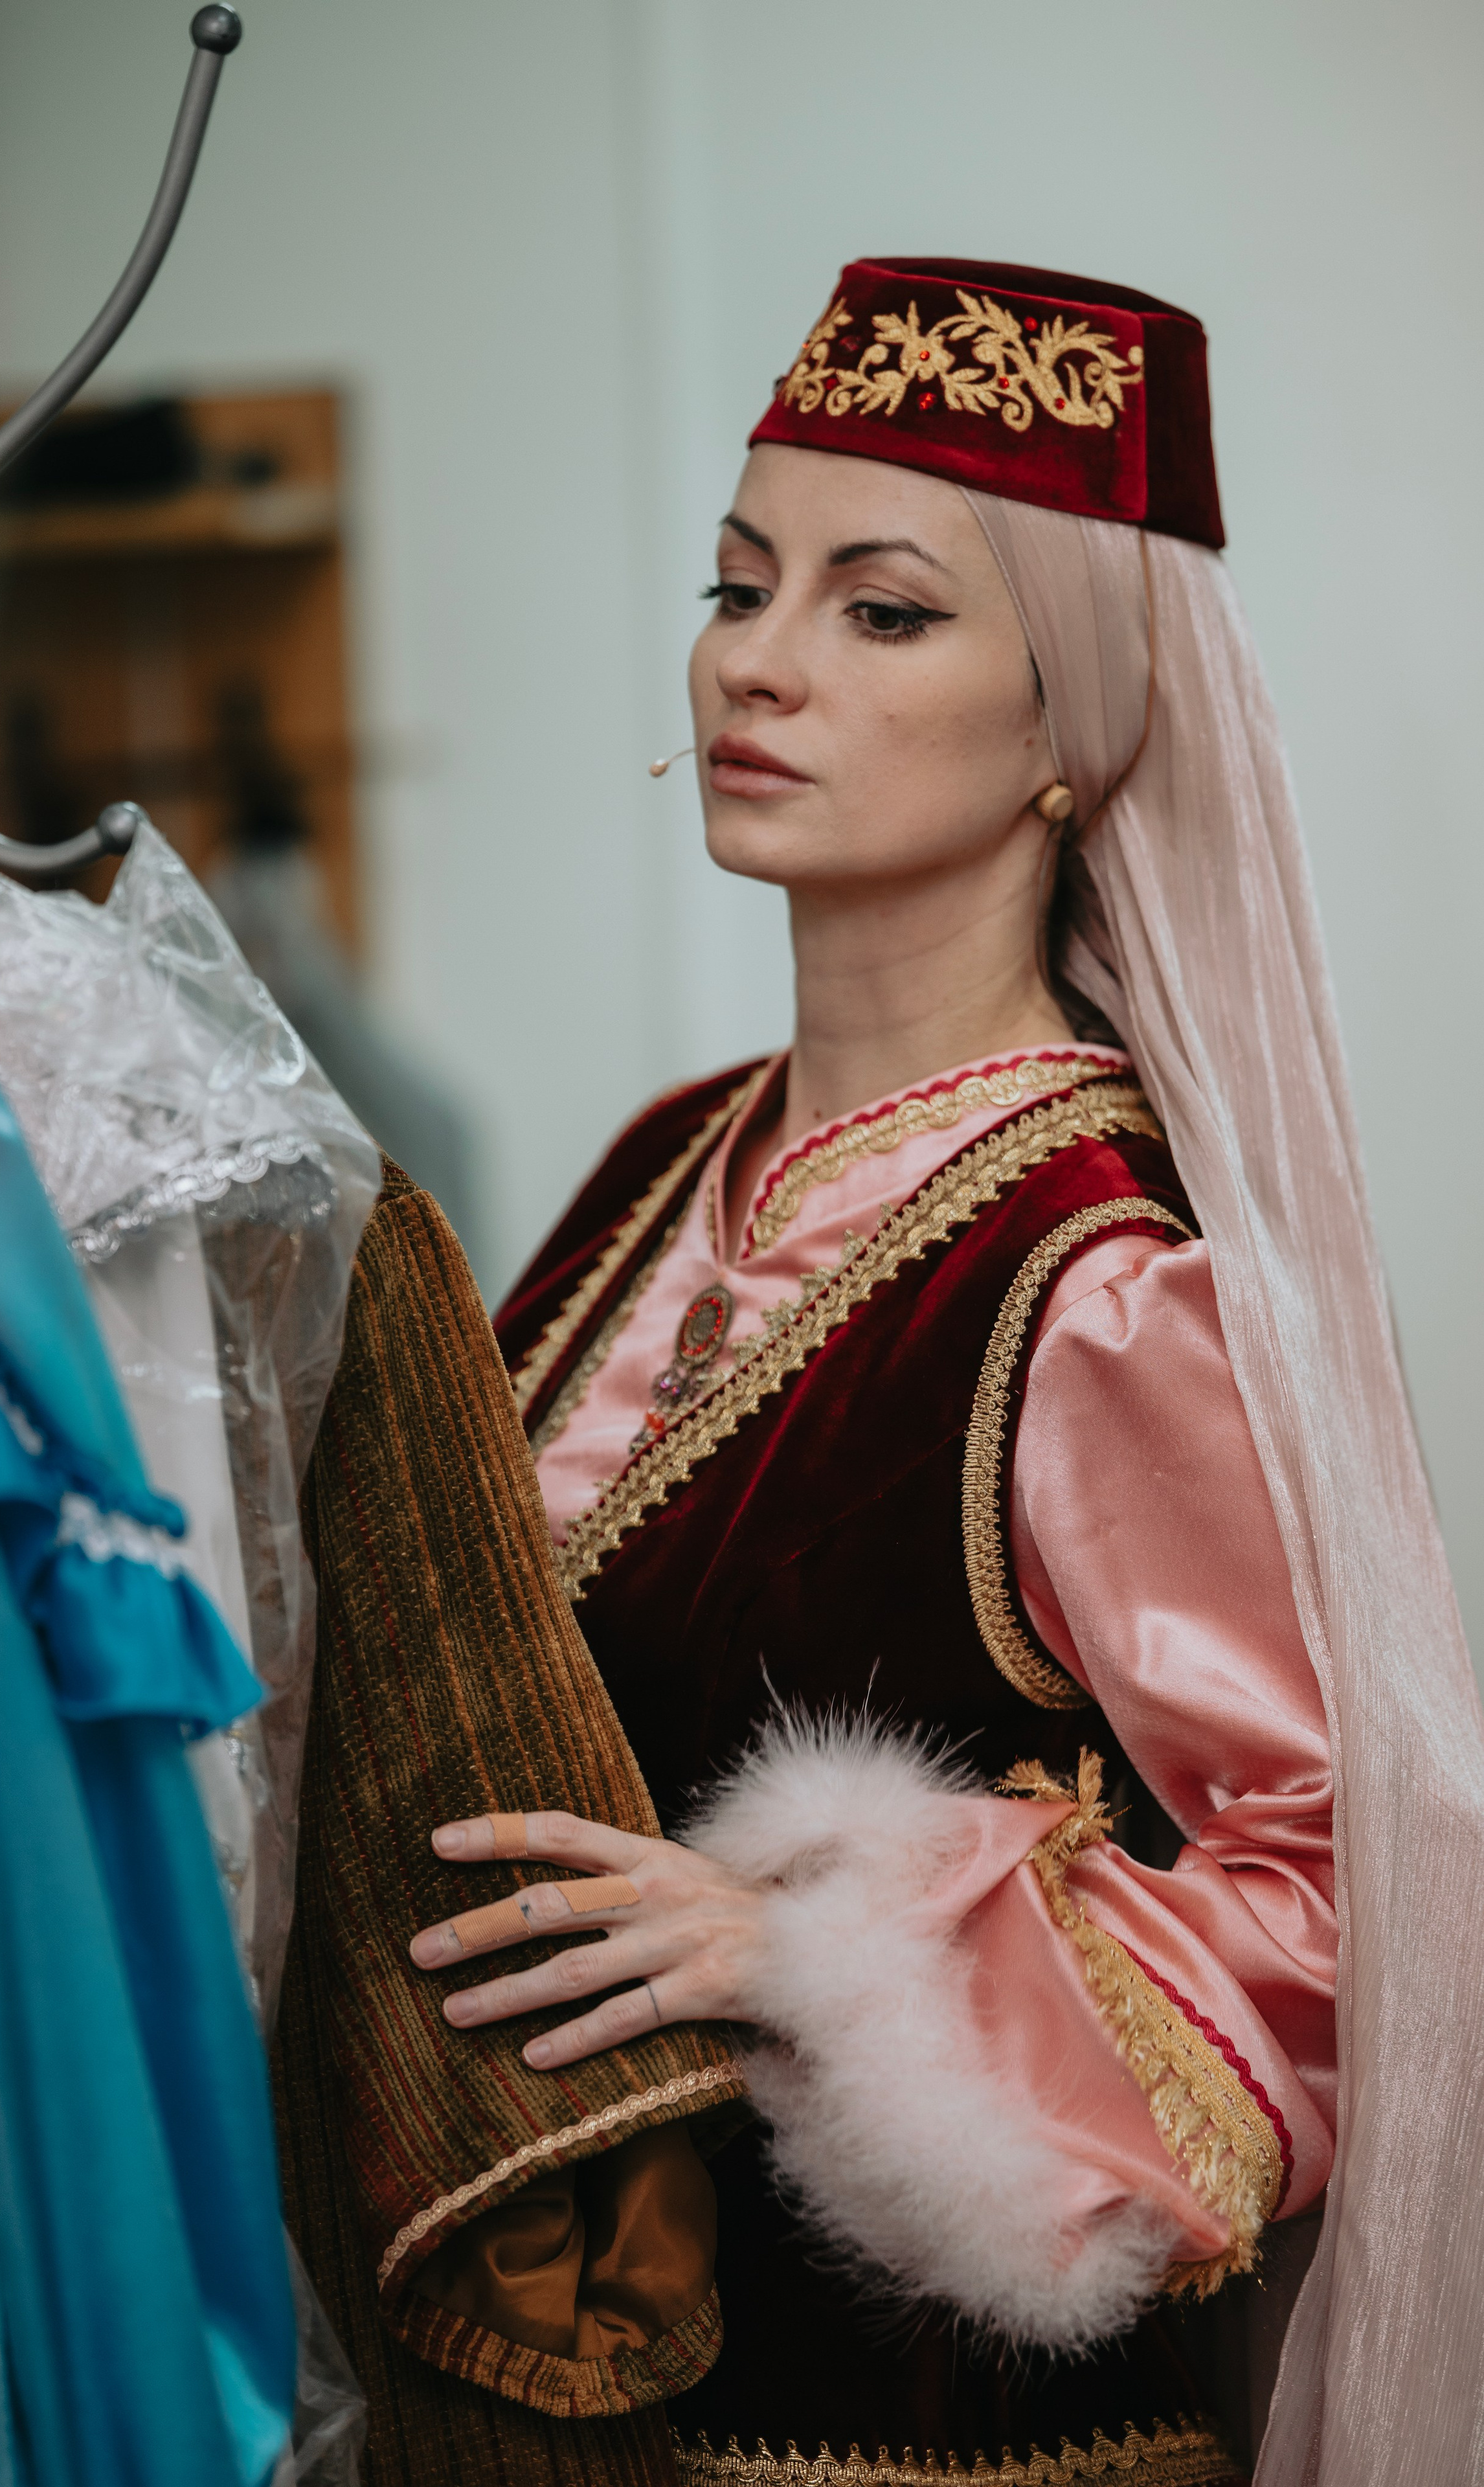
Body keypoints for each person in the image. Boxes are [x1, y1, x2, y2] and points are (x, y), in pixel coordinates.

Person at [404, 262, 1484, 2484]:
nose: (759, 661)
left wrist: (840, 1950)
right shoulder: (659, 1161)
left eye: (884, 612)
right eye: (736, 585)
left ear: (1070, 717)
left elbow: (1361, 1899)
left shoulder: (1098, 1275)